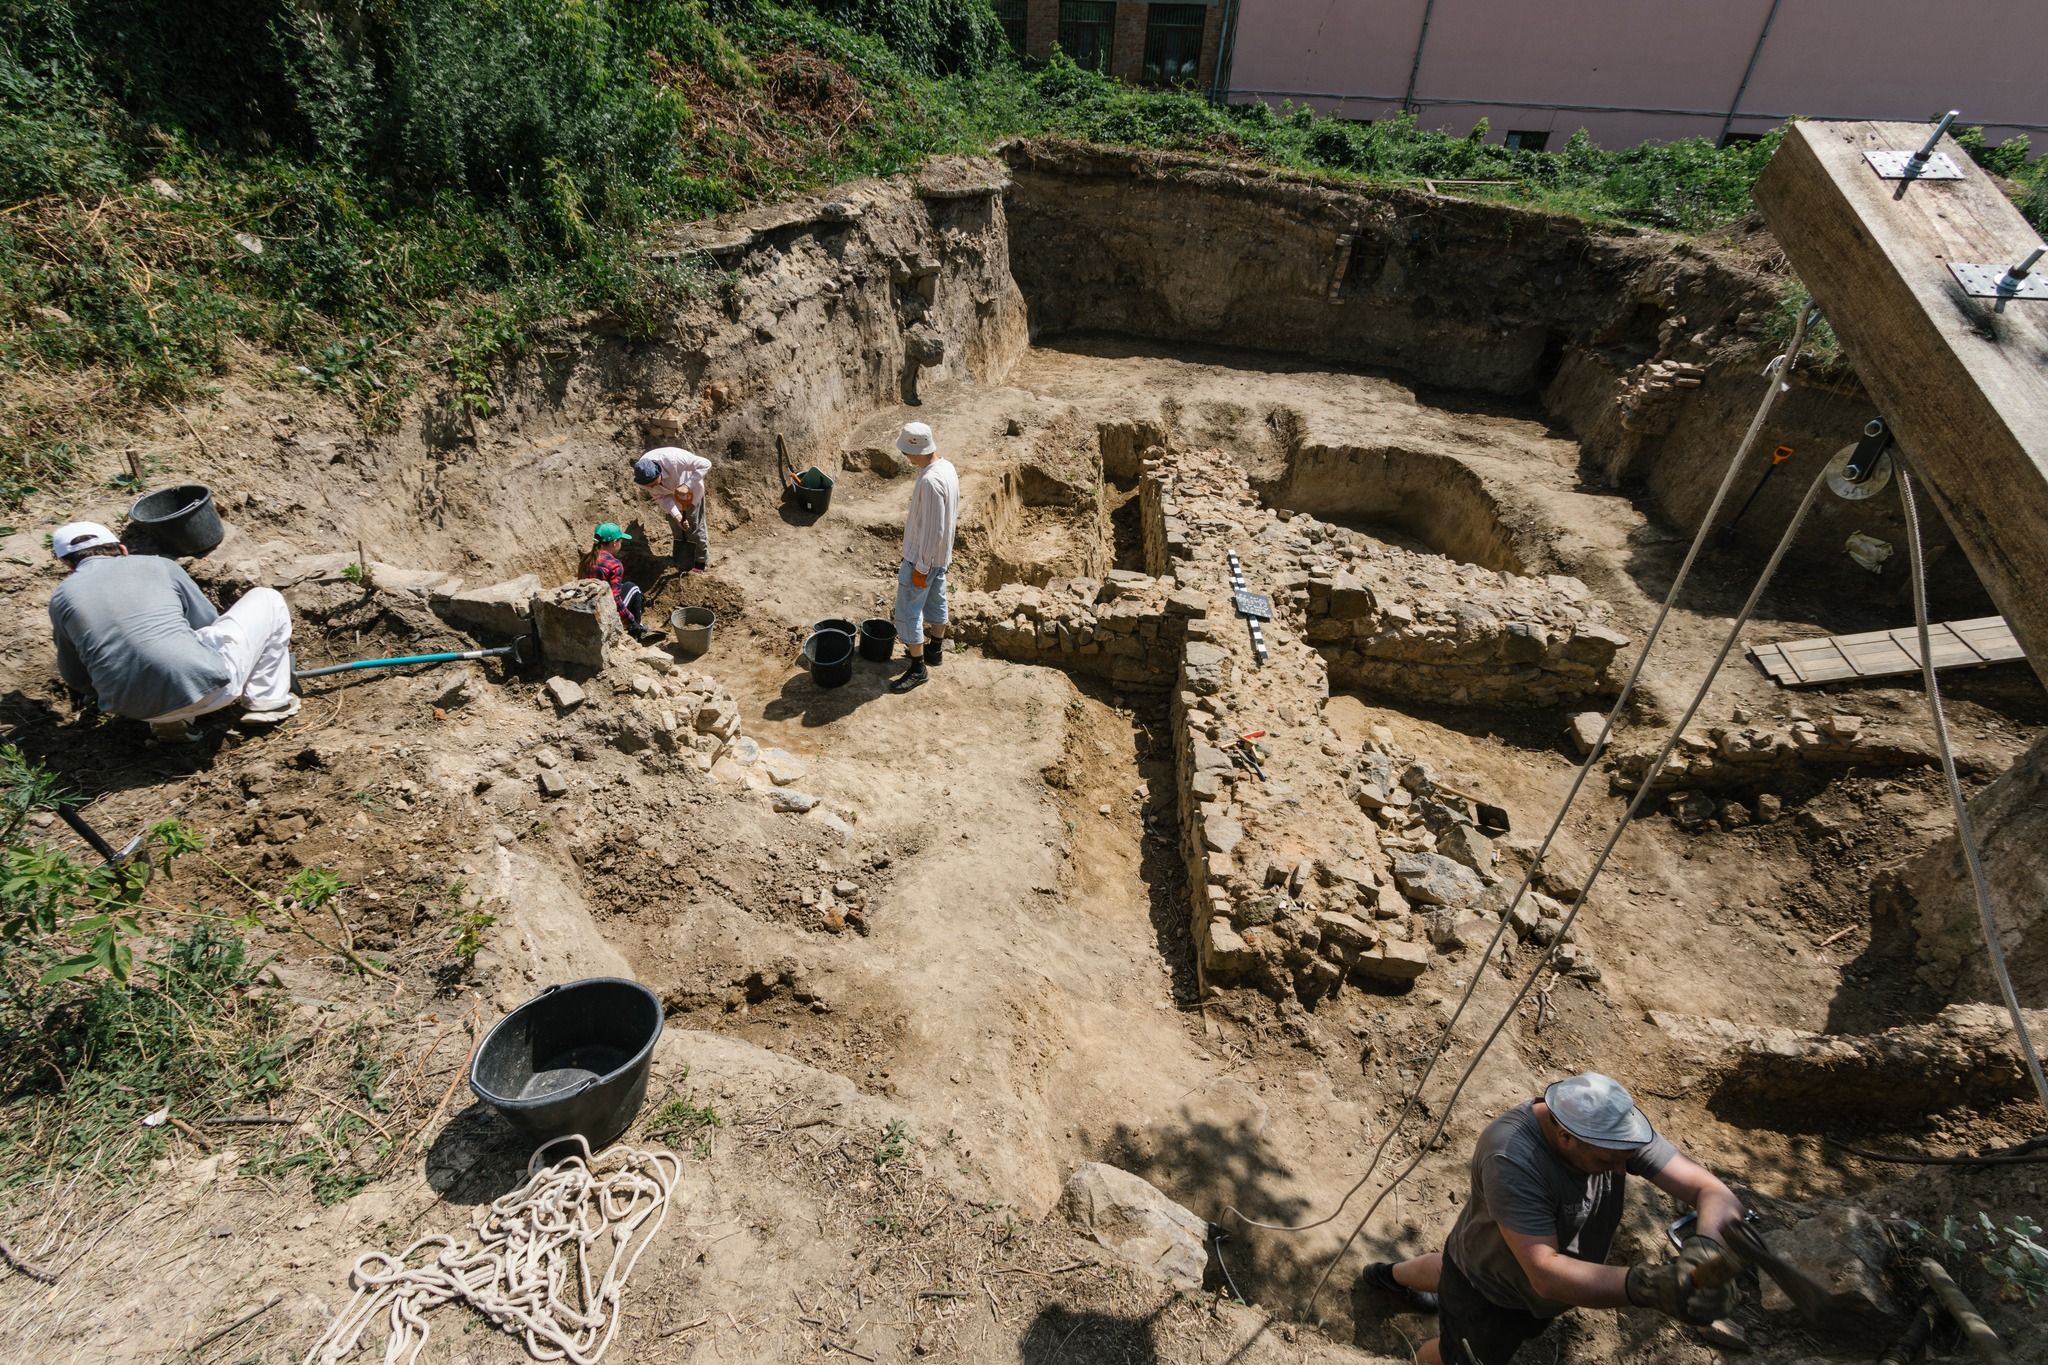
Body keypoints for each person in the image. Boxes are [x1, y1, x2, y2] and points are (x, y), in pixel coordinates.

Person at [1362, 1072, 1745, 1365]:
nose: (1623, 1166)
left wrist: (1705, 1246)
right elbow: (1545, 1276)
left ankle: (1386, 1275)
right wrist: (1645, 1285)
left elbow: (1715, 1193)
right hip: (1496, 1293)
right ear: (1565, 1137)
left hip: (1485, 1259)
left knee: (1453, 1269)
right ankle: (1405, 1346)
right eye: (1608, 1162)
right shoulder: (1511, 1157)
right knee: (1458, 1351)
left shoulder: (1611, 1134)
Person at [47, 521, 299, 743]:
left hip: (134, 710)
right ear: (122, 549)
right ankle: (267, 701)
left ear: (68, 564)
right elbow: (206, 622)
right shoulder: (160, 565)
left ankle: (167, 720)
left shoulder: (61, 597)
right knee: (266, 598)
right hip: (208, 690)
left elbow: (74, 673)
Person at [887, 421, 959, 695]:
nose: (905, 457)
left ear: (917, 451)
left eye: (906, 452)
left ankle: (918, 668)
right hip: (940, 559)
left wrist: (920, 567)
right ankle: (935, 650)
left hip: (923, 560)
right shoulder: (946, 467)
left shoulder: (929, 481)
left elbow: (933, 531)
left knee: (908, 612)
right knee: (936, 601)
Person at [632, 447, 712, 572]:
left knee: (695, 529)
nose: (652, 487)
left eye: (654, 483)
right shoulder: (643, 479)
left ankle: (700, 562)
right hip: (672, 497)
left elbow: (706, 464)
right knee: (677, 529)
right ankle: (682, 561)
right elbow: (661, 497)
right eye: (649, 486)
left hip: (691, 493)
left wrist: (687, 485)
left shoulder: (674, 459)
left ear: (658, 472)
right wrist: (677, 516)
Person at [578, 522, 647, 635]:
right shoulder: (614, 565)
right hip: (604, 610)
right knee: (633, 588)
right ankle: (636, 630)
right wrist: (631, 620)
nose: (621, 544)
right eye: (621, 541)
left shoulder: (586, 559)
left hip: (588, 606)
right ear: (614, 543)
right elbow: (615, 599)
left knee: (625, 586)